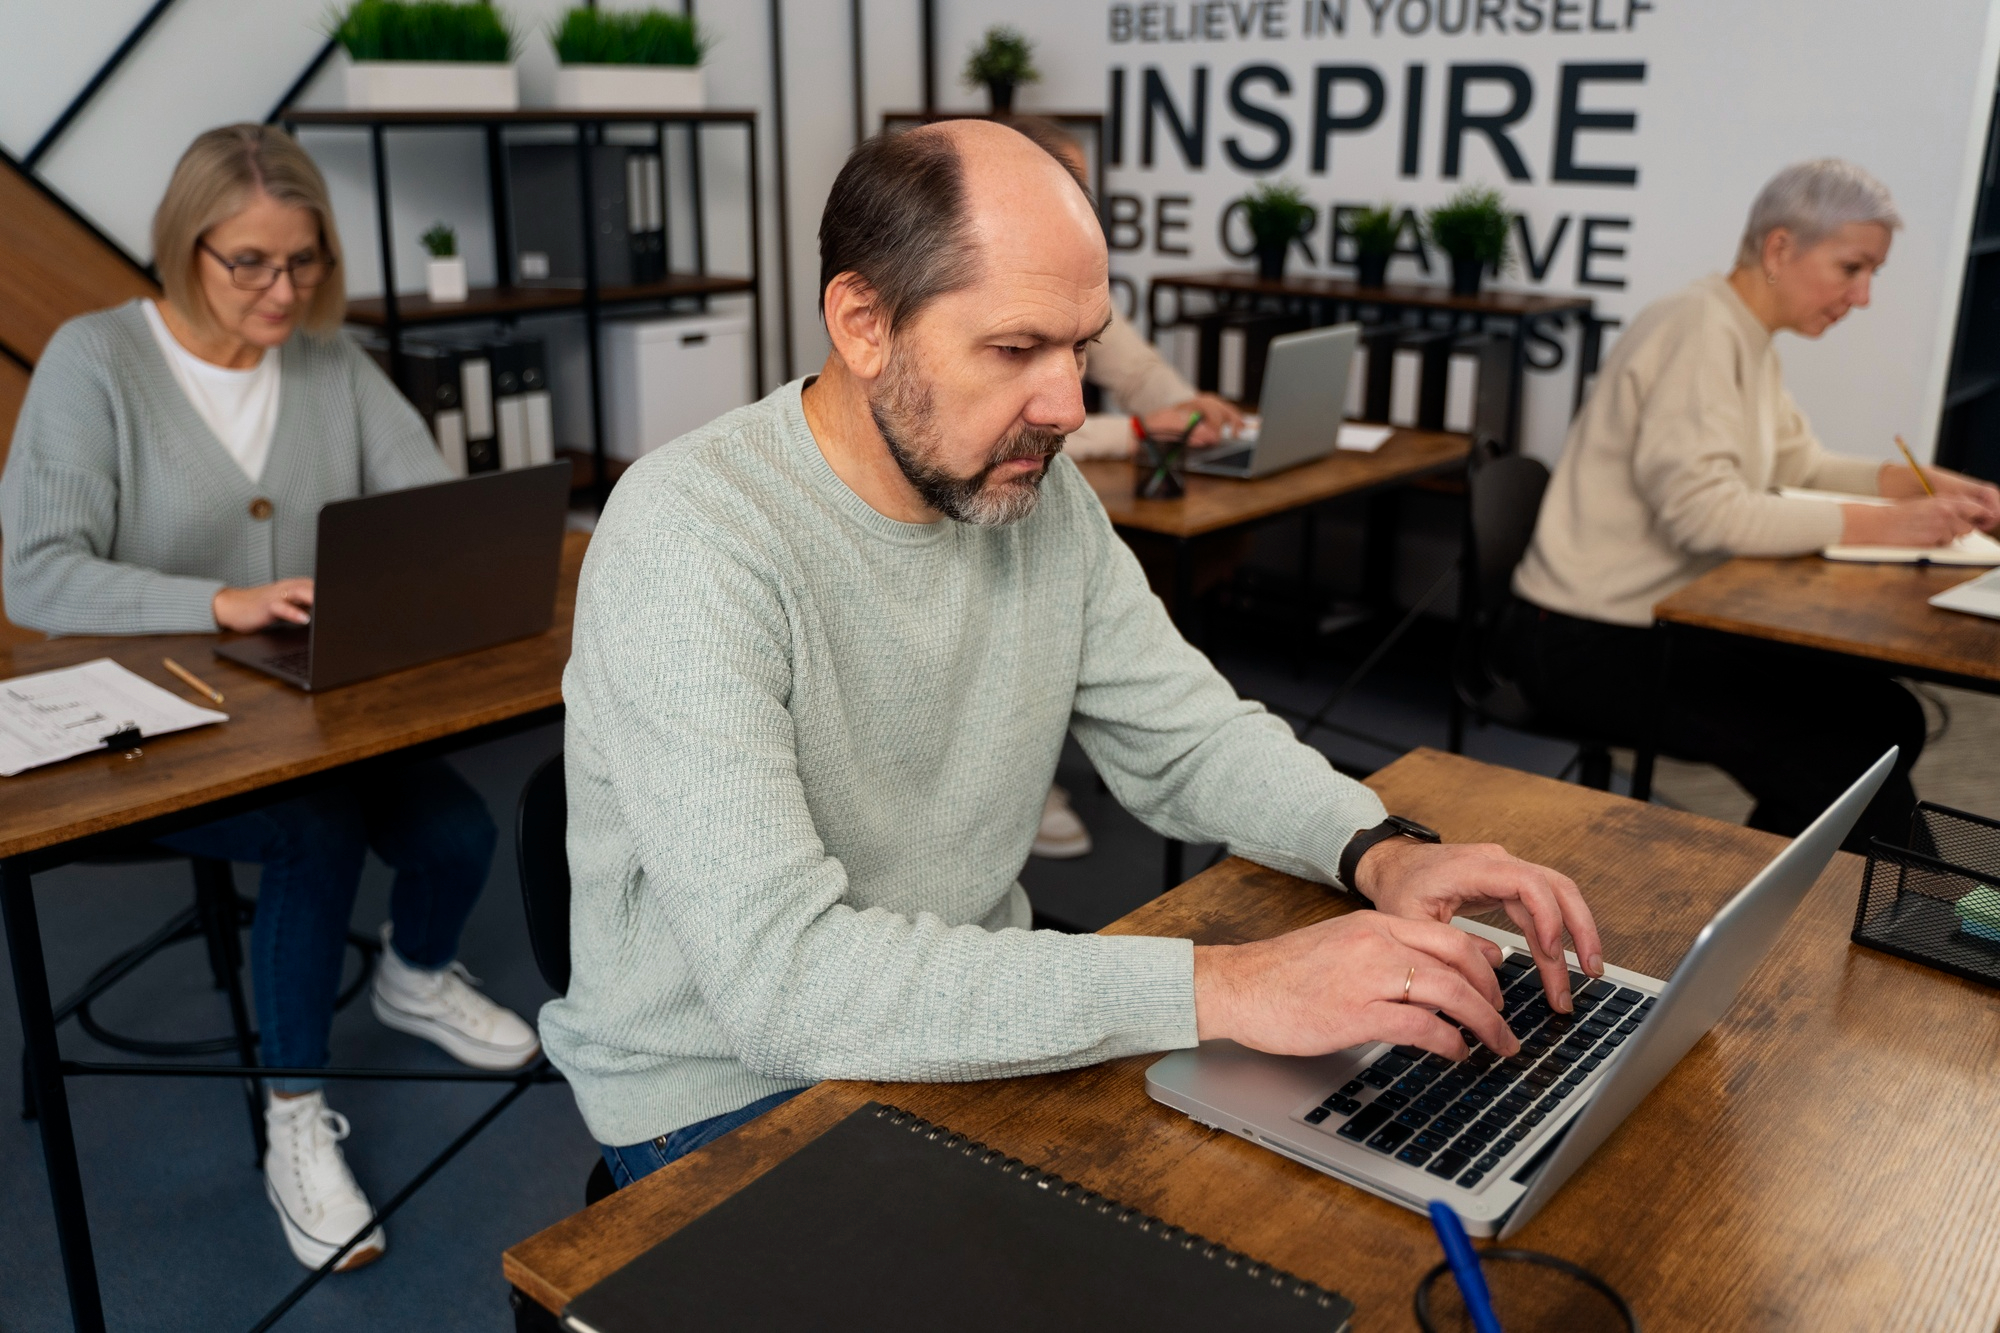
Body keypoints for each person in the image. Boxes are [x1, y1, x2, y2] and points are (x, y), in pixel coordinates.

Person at [542, 120, 1604, 1190]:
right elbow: (788, 987)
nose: (1068, 408)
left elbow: (1186, 736)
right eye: (1015, 350)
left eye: (1081, 346)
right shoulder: (691, 534)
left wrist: (1373, 846)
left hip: (958, 1018)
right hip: (730, 1098)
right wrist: (1227, 985)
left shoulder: (1031, 493)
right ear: (862, 322)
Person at [0, 124, 539, 1273]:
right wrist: (221, 602)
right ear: (182, 247)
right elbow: (37, 571)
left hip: (309, 705)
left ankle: (411, 976)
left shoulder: (332, 363)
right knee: (312, 832)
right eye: (248, 262)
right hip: (149, 728)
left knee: (457, 830)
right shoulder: (96, 361)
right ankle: (293, 1118)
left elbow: (433, 510)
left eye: (303, 262)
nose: (282, 290)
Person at [1506, 158, 2000, 850]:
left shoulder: (1745, 337)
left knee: (1890, 717)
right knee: (1850, 758)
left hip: (1658, 620)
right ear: (1779, 248)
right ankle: (1893, 922)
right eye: (1852, 268)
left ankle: (1761, 886)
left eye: (1871, 275)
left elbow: (1800, 463)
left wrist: (1924, 484)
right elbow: (1703, 512)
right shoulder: (1697, 328)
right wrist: (1886, 524)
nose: (1862, 297)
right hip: (1587, 640)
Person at [1009, 117, 1245, 860]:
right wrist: (1144, 433)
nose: (1081, 204)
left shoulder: (1074, 276)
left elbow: (1136, 372)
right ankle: (1023, 783)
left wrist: (1188, 408)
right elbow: (1017, 422)